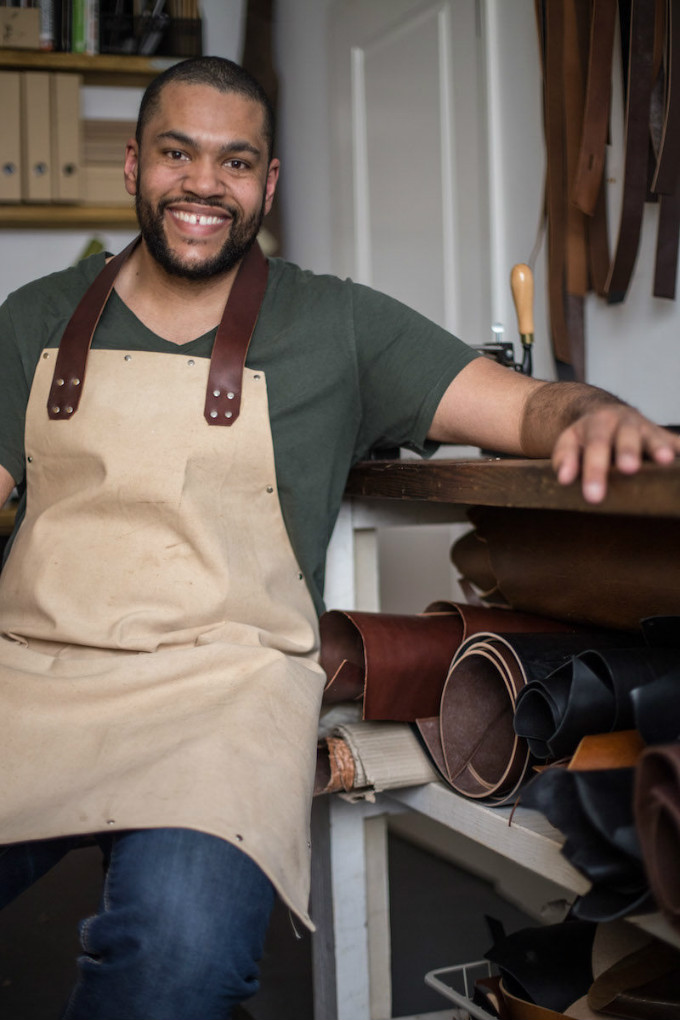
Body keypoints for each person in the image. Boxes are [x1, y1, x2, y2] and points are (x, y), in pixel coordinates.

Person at [0, 55, 677, 1020]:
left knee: (178, 965)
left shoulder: (339, 323)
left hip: (220, 699)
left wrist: (594, 415)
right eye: (176, 154)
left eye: (235, 162)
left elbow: (531, 409)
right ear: (132, 165)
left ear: (268, 183)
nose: (203, 183)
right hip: (30, 680)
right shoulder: (33, 322)